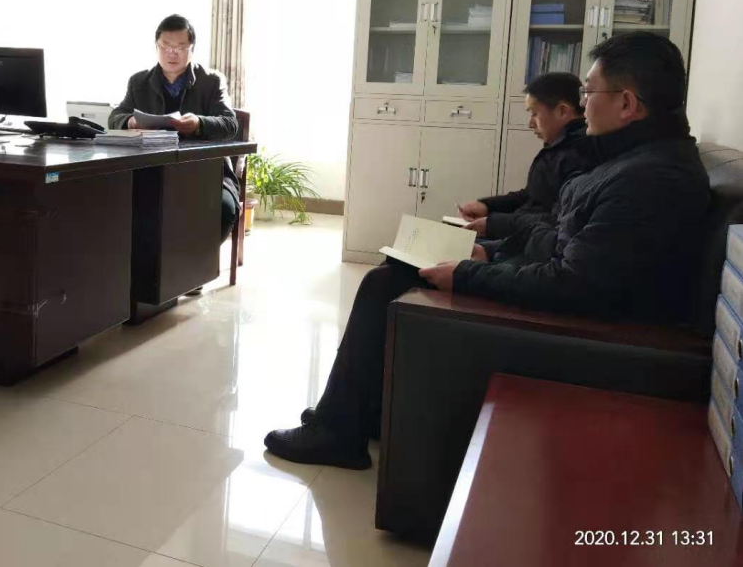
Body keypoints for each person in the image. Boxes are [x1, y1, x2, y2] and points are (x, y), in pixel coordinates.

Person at [264, 32, 710, 470]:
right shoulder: (634, 160)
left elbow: (573, 283)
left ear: (627, 103)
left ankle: (338, 432)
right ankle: (359, 413)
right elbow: (556, 233)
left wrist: (468, 273)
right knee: (399, 263)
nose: (583, 103)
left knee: (385, 281)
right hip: (551, 283)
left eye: (589, 92)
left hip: (584, 332)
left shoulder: (649, 179)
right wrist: (491, 252)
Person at [109, 14, 240, 244]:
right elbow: (115, 117)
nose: (172, 53)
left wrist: (199, 123)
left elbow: (230, 124)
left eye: (180, 47)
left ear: (192, 49)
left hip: (206, 172)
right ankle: (153, 264)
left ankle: (195, 262)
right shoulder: (138, 82)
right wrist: (130, 121)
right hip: (151, 170)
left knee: (224, 210)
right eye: (166, 46)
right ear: (156, 46)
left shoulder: (211, 81)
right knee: (127, 207)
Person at [458, 72, 590, 243]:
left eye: (534, 113)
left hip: (533, 245)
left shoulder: (579, 156)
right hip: (524, 237)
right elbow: (531, 197)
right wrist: (487, 206)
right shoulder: (559, 148)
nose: (530, 123)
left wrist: (494, 224)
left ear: (562, 111)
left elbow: (556, 221)